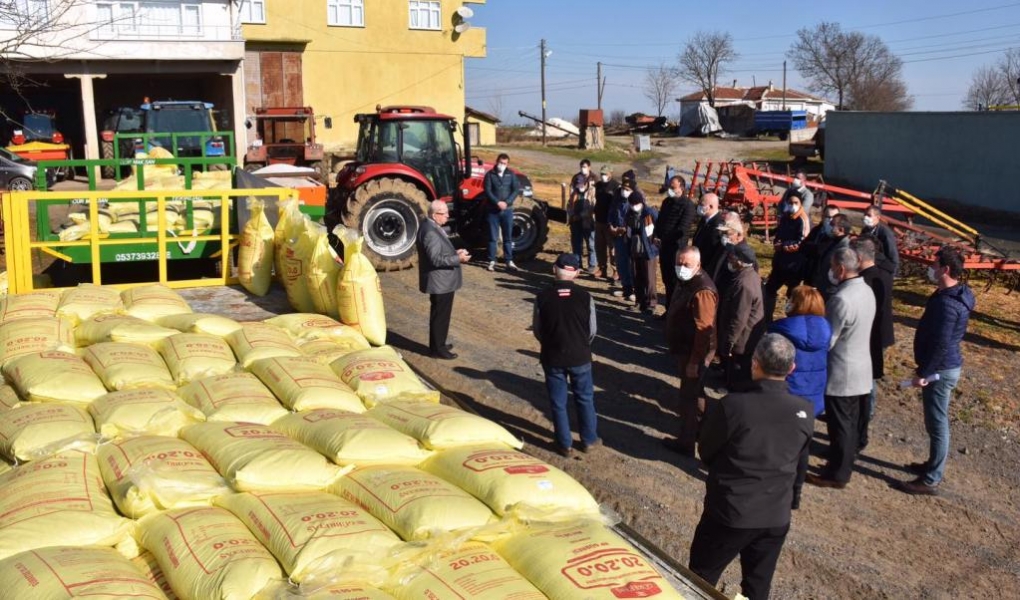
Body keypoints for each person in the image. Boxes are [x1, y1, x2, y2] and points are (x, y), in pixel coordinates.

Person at [689, 334, 813, 600]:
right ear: (792, 369)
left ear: (754, 363)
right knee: (757, 586)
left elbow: (707, 451)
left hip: (731, 511)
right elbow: (801, 462)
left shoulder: (732, 406)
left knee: (700, 576)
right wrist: (794, 498)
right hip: (776, 515)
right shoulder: (804, 410)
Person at [897, 246, 974, 495]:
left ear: (946, 269)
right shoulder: (954, 293)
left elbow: (941, 343)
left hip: (939, 370)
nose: (930, 268)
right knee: (934, 421)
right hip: (940, 367)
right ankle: (932, 464)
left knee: (938, 424)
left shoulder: (948, 304)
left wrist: (924, 373)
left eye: (934, 264)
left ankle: (931, 479)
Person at [806, 248, 875, 489]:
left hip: (842, 371)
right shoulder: (866, 290)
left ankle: (837, 474)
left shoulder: (841, 299)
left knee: (840, 426)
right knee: (851, 423)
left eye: (833, 267)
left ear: (841, 269)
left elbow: (829, 338)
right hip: (861, 367)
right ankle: (840, 466)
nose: (831, 271)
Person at [533, 253, 600, 458]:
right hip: (580, 356)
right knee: (585, 398)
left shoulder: (542, 297)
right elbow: (592, 330)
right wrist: (580, 344)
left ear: (554, 269)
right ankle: (589, 440)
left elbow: (538, 329)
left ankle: (564, 444)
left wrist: (550, 343)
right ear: (577, 273)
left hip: (553, 356)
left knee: (558, 401)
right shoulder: (585, 297)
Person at [663, 246, 718, 456]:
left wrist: (695, 361)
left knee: (688, 397)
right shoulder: (689, 281)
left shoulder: (702, 291)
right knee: (695, 391)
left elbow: (704, 330)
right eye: (679, 263)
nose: (681, 268)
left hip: (694, 351)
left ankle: (686, 442)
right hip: (685, 347)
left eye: (686, 265)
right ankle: (705, 429)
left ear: (698, 265)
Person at [854, 238, 894, 452]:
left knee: (866, 383)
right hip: (878, 335)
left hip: (870, 337)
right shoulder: (884, 275)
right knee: (869, 381)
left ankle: (863, 420)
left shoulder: (866, 281)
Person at [416, 200, 471, 360]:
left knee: (441, 315)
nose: (448, 215)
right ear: (435, 215)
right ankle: (437, 349)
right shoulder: (430, 232)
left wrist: (454, 251)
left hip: (441, 282)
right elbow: (435, 259)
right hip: (440, 283)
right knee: (440, 316)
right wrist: (457, 258)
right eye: (444, 213)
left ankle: (439, 343)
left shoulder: (431, 226)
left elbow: (439, 251)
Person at [768, 285, 832, 417]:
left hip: (787, 392)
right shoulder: (826, 329)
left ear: (796, 304)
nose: (788, 301)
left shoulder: (782, 329)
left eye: (791, 299)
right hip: (815, 394)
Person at [716, 243, 764, 390]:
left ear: (741, 261)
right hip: (746, 335)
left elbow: (739, 318)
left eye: (732, 256)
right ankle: (729, 381)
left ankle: (733, 388)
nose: (729, 259)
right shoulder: (748, 275)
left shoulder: (744, 284)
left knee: (738, 364)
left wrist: (729, 342)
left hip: (743, 337)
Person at [763, 191, 810, 323]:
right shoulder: (784, 217)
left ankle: (791, 322)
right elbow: (779, 235)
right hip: (780, 262)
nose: (792, 205)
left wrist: (784, 246)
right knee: (769, 289)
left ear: (800, 204)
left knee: (792, 295)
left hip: (794, 265)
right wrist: (776, 243)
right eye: (790, 202)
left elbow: (802, 241)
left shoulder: (803, 220)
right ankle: (767, 319)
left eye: (796, 203)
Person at [653, 175, 698, 310]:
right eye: (669, 188)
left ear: (682, 188)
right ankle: (668, 310)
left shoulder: (688, 206)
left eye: (673, 188)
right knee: (666, 280)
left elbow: (682, 229)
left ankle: (675, 312)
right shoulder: (667, 202)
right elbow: (660, 222)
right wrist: (655, 235)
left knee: (675, 282)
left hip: (677, 250)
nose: (670, 190)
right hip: (663, 248)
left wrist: (664, 239)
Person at [483, 152, 521, 272]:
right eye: (500, 162)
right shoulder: (490, 175)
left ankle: (509, 260)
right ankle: (491, 260)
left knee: (507, 237)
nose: (502, 165)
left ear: (507, 164)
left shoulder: (511, 175)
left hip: (507, 211)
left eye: (504, 163)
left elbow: (515, 190)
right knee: (493, 237)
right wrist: (497, 202)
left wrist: (507, 202)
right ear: (496, 162)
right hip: (493, 211)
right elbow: (487, 191)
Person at [624, 183, 659, 314]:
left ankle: (651, 304)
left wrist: (655, 245)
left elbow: (659, 229)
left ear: (641, 202)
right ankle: (639, 302)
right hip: (634, 250)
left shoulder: (650, 213)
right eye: (631, 203)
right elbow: (628, 232)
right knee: (636, 277)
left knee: (650, 279)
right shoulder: (629, 214)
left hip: (649, 251)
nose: (634, 206)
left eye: (636, 203)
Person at [608, 171, 639, 302]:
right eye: (623, 188)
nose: (624, 191)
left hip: (630, 237)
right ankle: (625, 288)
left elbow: (637, 219)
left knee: (631, 264)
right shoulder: (617, 198)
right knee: (621, 262)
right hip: (618, 236)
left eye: (627, 189)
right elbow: (611, 213)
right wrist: (612, 227)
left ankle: (634, 289)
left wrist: (625, 229)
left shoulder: (636, 201)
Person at [714, 211, 758, 294]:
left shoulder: (744, 254)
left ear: (738, 235)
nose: (724, 237)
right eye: (722, 233)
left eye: (727, 234)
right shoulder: (726, 247)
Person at [809, 213, 851, 299]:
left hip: (831, 291)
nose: (829, 226)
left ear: (841, 229)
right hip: (822, 285)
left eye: (832, 224)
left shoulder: (845, 248)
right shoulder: (832, 241)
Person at [802, 204, 840, 283]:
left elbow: (820, 250)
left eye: (834, 217)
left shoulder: (835, 235)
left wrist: (813, 248)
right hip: (809, 271)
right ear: (823, 216)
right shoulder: (816, 230)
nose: (831, 220)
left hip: (823, 275)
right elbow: (804, 245)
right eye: (828, 217)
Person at [593, 165, 619, 281]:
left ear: (610, 174)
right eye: (601, 173)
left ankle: (615, 270)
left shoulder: (616, 187)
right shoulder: (598, 185)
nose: (603, 176)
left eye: (605, 174)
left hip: (610, 222)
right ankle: (602, 268)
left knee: (612, 248)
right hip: (599, 220)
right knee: (599, 246)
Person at [568, 171, 597, 273]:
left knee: (591, 244)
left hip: (588, 223)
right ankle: (578, 263)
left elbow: (593, 207)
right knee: (576, 244)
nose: (579, 186)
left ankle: (592, 265)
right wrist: (571, 216)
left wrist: (580, 216)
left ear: (585, 183)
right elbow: (569, 206)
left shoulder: (592, 192)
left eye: (581, 184)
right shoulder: (574, 193)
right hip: (575, 223)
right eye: (577, 184)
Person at [860, 205, 900, 278]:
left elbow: (892, 254)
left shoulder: (885, 233)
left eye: (869, 215)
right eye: (865, 215)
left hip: (881, 268)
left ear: (877, 217)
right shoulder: (865, 230)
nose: (865, 217)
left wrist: (892, 274)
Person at [692, 193, 724, 280]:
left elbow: (712, 250)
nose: (698, 206)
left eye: (701, 205)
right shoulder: (704, 219)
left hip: (707, 267)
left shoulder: (718, 225)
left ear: (710, 206)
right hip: (697, 262)